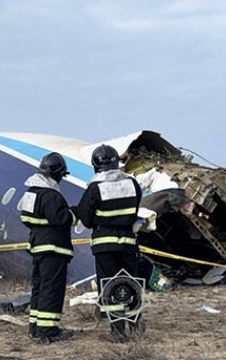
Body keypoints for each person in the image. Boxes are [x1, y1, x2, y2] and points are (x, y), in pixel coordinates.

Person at [74, 144, 144, 343]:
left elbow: (86, 218)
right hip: (128, 243)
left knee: (110, 286)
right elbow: (134, 210)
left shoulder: (95, 187)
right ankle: (136, 322)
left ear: (96, 165)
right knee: (131, 282)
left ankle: (118, 331)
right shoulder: (132, 184)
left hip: (105, 245)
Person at [18, 153, 76, 343]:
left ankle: (35, 327)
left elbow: (25, 218)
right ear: (57, 174)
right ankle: (48, 331)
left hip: (37, 246)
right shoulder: (51, 195)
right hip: (53, 249)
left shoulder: (31, 193)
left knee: (40, 287)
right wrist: (74, 213)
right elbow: (62, 221)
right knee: (52, 288)